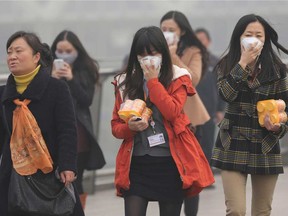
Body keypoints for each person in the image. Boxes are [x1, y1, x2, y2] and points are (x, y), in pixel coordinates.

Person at [111, 26, 214, 216]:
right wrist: (130, 128)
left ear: (163, 52)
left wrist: (152, 82)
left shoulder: (178, 77)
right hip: (137, 164)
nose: (147, 59)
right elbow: (116, 127)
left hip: (171, 163)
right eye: (141, 54)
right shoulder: (125, 82)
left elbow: (173, 112)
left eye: (152, 53)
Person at [0, 31, 84, 216]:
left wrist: (68, 165)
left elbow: (67, 130)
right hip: (13, 174)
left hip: (50, 171)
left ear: (36, 56)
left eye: (18, 51)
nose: (12, 56)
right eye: (9, 52)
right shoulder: (4, 94)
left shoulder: (56, 88)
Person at [211, 14, 288, 216]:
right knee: (236, 210)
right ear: (239, 37)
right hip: (232, 143)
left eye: (258, 35)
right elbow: (226, 94)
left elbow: (285, 109)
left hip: (265, 145)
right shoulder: (226, 65)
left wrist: (278, 127)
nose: (253, 39)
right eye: (248, 34)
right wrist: (243, 63)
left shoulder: (278, 70)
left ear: (265, 40)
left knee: (262, 211)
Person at [160, 11, 210, 216]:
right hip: (165, 116)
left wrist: (173, 58)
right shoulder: (155, 49)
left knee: (190, 172)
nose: (167, 33)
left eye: (171, 30)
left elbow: (194, 79)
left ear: (181, 31)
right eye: (163, 29)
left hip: (189, 119)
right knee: (169, 173)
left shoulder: (193, 50)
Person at [51, 30, 106, 209]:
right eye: (60, 51)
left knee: (76, 178)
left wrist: (71, 79)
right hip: (52, 130)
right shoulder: (47, 68)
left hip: (78, 132)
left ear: (77, 51)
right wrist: (52, 78)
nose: (64, 55)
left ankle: (77, 210)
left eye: (68, 51)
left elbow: (86, 100)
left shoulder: (86, 70)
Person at [195, 27, 226, 164]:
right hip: (192, 110)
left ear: (208, 41)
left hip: (210, 110)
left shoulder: (215, 62)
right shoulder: (188, 61)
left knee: (208, 142)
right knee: (193, 144)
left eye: (202, 39)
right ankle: (193, 177)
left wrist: (220, 109)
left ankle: (206, 175)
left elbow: (221, 87)